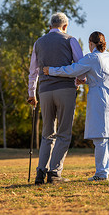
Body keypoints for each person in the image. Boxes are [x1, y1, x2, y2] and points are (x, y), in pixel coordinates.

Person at [42, 31, 109, 181]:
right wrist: (87, 81)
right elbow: (104, 77)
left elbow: (71, 70)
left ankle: (101, 173)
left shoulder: (91, 58)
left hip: (100, 98)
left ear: (91, 44)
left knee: (100, 137)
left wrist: (51, 71)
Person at [28, 12, 85, 184]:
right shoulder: (70, 40)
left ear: (50, 26)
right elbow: (80, 65)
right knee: (64, 133)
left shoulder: (39, 42)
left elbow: (33, 71)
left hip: (44, 92)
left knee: (47, 134)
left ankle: (40, 172)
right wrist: (79, 80)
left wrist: (32, 94)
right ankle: (54, 173)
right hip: (65, 90)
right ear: (65, 26)